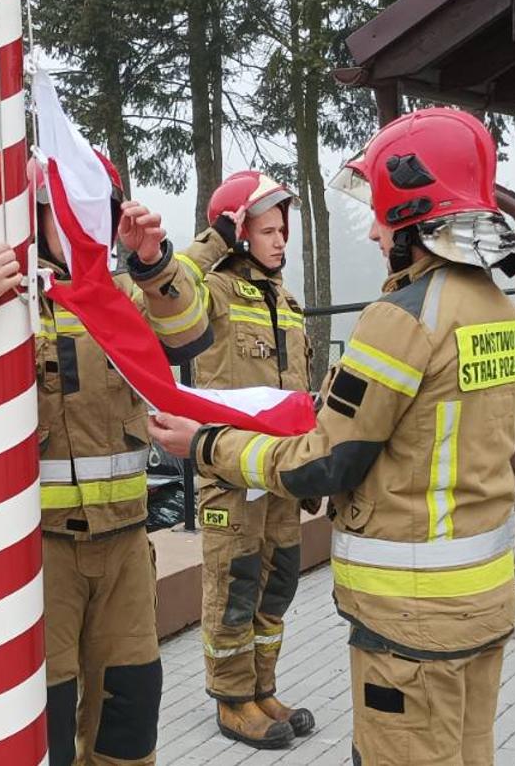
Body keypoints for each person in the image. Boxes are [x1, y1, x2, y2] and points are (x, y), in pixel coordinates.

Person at [149, 108, 515, 766]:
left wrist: (207, 446)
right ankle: (238, 691)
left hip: (410, 620)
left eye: (382, 215)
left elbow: (326, 463)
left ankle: (251, 688)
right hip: (481, 604)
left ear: (416, 217)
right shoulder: (500, 310)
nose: (374, 232)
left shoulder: (404, 319)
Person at [0, 166, 208, 766]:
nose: (88, 225)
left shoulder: (125, 296)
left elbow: (190, 332)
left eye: (99, 210)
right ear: (36, 219)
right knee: (43, 724)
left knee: (130, 716)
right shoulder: (3, 303)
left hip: (124, 549)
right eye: (70, 211)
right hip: (38, 556)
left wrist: (153, 261)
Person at [172, 171, 315, 749]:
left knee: (275, 584)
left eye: (284, 230)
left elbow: (298, 394)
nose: (282, 241)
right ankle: (232, 700)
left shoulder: (285, 298)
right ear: (238, 231)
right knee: (233, 586)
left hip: (276, 472)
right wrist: (214, 239)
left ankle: (262, 687)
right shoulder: (214, 291)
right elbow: (169, 291)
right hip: (228, 474)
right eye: (268, 230)